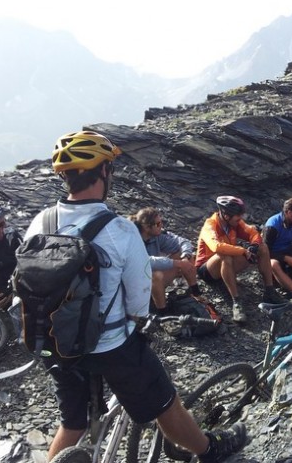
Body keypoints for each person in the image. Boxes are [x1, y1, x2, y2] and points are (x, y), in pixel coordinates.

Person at [27, 130, 246, 462]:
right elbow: (137, 299)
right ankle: (209, 449)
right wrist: (138, 321)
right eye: (110, 167)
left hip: (55, 341)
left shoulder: (40, 222)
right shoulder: (119, 229)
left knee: (73, 422)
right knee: (165, 404)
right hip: (111, 344)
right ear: (103, 171)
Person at [196, 195, 287, 323]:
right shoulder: (209, 225)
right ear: (226, 215)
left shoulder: (234, 223)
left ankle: (269, 290)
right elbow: (216, 247)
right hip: (207, 269)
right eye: (238, 216)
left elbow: (252, 233)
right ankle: (236, 302)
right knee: (225, 255)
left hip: (227, 263)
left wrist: (254, 246)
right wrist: (243, 250)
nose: (241, 219)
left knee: (263, 247)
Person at [129, 207, 198, 313]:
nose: (161, 226)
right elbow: (145, 261)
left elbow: (183, 242)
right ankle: (162, 312)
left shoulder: (156, 236)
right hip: (131, 286)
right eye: (157, 224)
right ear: (147, 227)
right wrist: (175, 263)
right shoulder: (130, 239)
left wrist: (185, 257)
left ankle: (196, 293)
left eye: (161, 222)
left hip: (146, 280)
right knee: (156, 276)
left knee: (185, 255)